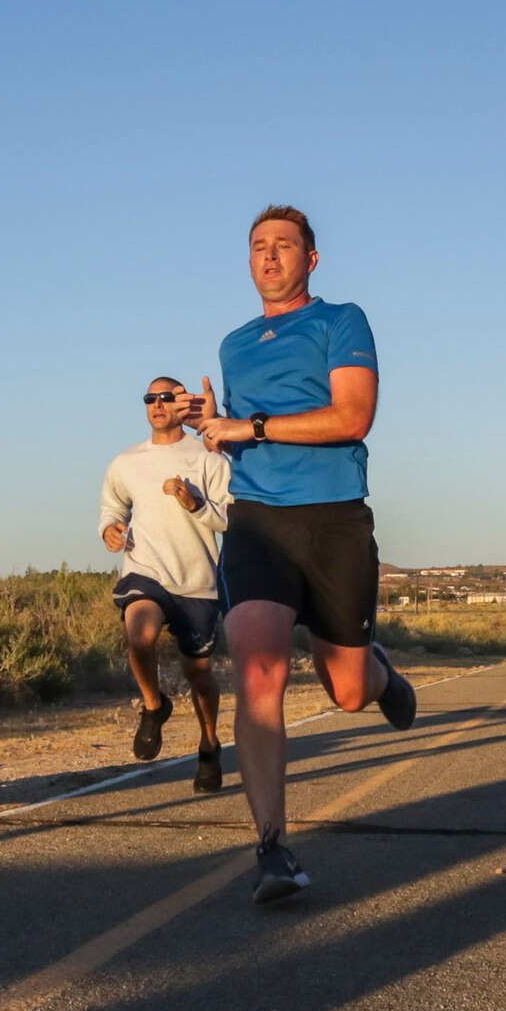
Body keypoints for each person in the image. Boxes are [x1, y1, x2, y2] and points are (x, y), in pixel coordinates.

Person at [189, 205, 416, 904]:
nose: (269, 255)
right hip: (257, 522)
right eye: (258, 246)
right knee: (258, 663)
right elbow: (238, 432)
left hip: (334, 520)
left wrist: (250, 423)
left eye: (284, 245)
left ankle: (377, 674)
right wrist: (216, 432)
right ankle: (272, 848)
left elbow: (352, 416)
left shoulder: (341, 321)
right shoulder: (232, 345)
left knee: (345, 688)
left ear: (310, 258)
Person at [99, 376, 231, 792]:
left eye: (166, 397)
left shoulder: (207, 457)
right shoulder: (126, 461)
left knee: (199, 674)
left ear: (183, 404)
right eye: (149, 398)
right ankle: (154, 707)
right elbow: (112, 506)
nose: (157, 403)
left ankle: (209, 742)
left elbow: (230, 518)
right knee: (140, 634)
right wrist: (110, 529)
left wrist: (195, 504)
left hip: (196, 583)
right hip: (146, 569)